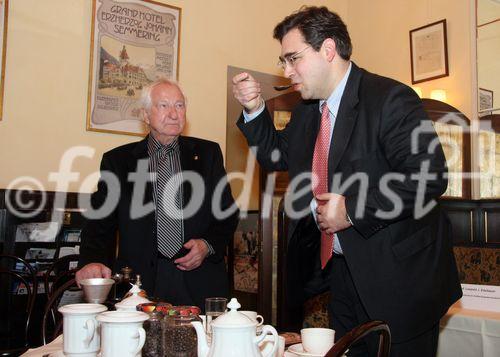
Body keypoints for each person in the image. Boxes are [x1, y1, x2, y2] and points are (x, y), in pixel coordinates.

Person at [232, 6, 461, 357]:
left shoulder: (391, 99)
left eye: (293, 58)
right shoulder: (308, 110)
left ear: (327, 49)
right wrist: (253, 109)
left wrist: (351, 211)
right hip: (342, 274)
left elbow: (429, 178)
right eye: (284, 61)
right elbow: (277, 156)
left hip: (401, 282)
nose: (287, 71)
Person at [77, 79, 239, 309]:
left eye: (180, 105)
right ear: (145, 115)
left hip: (199, 280)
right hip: (139, 284)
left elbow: (227, 213)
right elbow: (99, 221)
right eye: (163, 106)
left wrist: (207, 245)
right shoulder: (119, 162)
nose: (174, 114)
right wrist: (92, 260)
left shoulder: (207, 154)